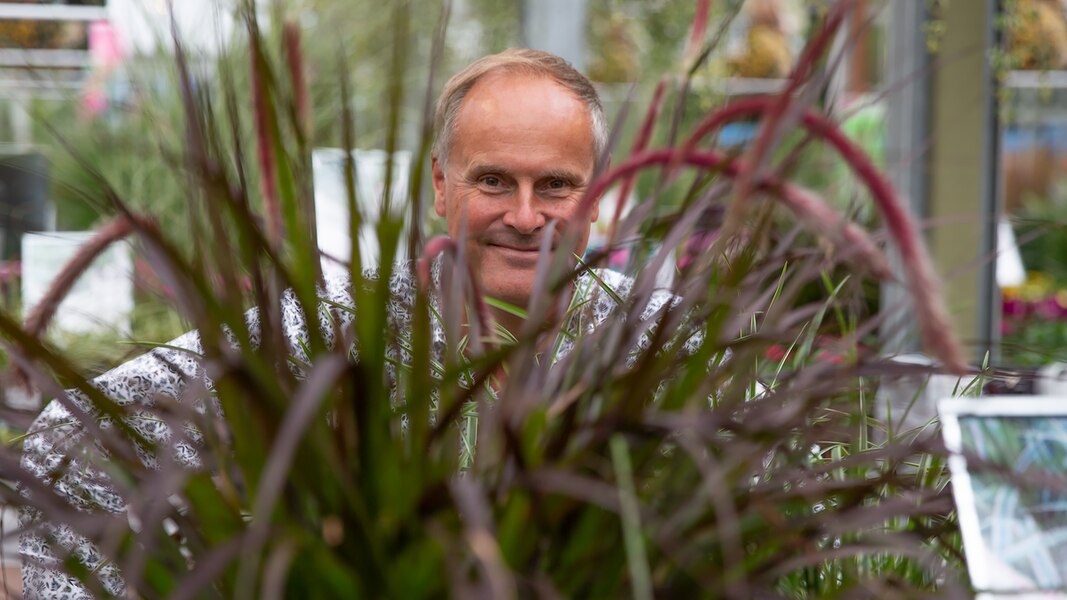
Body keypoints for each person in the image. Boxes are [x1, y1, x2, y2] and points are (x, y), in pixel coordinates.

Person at [18, 48, 680, 598]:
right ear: (442, 186)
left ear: (595, 197)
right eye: (495, 182)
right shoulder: (335, 331)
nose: (527, 216)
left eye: (557, 186)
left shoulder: (660, 336)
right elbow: (74, 436)